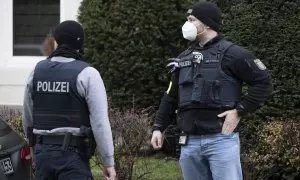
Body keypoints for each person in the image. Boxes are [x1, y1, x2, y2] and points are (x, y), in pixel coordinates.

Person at [151, 2, 273, 180]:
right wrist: (158, 127)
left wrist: (240, 111)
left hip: (221, 140)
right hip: (189, 142)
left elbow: (263, 83)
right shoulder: (183, 58)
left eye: (192, 20)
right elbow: (171, 96)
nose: (187, 24)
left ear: (207, 23)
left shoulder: (233, 53)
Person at [22, 20, 116, 180]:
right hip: (73, 157)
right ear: (80, 44)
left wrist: (32, 147)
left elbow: (27, 115)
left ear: (56, 41)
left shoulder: (36, 71)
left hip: (43, 155)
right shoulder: (88, 74)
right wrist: (108, 162)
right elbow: (100, 123)